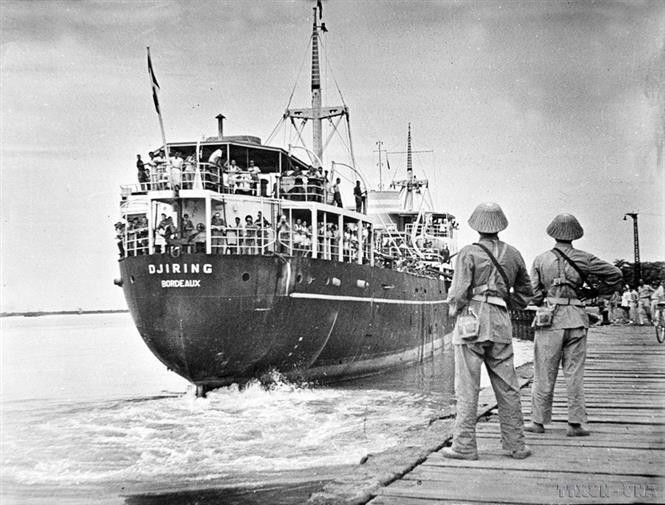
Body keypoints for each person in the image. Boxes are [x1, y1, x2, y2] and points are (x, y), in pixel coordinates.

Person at [443, 202, 533, 461]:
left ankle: (464, 446)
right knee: (508, 387)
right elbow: (527, 292)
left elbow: (459, 293)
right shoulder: (514, 254)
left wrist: (455, 310)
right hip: (501, 322)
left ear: (475, 226)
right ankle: (516, 446)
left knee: (467, 388)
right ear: (500, 226)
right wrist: (505, 303)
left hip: (471, 321)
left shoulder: (468, 253)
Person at [526, 213, 622, 437]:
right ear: (575, 235)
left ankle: (538, 422)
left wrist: (543, 298)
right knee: (574, 373)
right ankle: (575, 424)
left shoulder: (541, 260)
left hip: (550, 319)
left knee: (543, 372)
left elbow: (534, 294)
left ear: (552, 233)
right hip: (577, 318)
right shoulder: (584, 258)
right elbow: (615, 273)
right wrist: (597, 292)